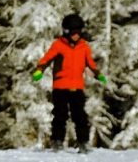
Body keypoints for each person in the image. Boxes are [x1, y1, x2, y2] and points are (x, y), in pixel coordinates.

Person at [33, 13, 106, 151]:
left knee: (80, 116)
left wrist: (98, 75)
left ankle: (83, 142)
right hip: (60, 86)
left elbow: (90, 64)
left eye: (79, 33)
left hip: (77, 86)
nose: (76, 36)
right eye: (73, 33)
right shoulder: (59, 45)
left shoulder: (84, 46)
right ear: (66, 32)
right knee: (60, 115)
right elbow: (46, 59)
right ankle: (57, 140)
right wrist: (40, 70)